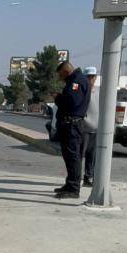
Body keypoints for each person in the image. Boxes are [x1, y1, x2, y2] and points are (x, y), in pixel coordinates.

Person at [53, 61, 90, 199]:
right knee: (69, 157)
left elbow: (72, 103)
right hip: (69, 125)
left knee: (73, 157)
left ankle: (74, 189)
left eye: (60, 75)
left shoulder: (77, 81)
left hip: (73, 126)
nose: (60, 78)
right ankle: (69, 184)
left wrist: (58, 98)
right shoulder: (75, 80)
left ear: (66, 71)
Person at [81, 67, 100, 188]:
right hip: (84, 128)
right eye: (88, 77)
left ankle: (89, 177)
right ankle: (76, 178)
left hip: (96, 129)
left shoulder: (100, 91)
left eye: (93, 76)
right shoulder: (82, 91)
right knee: (80, 154)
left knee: (92, 156)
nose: (91, 79)